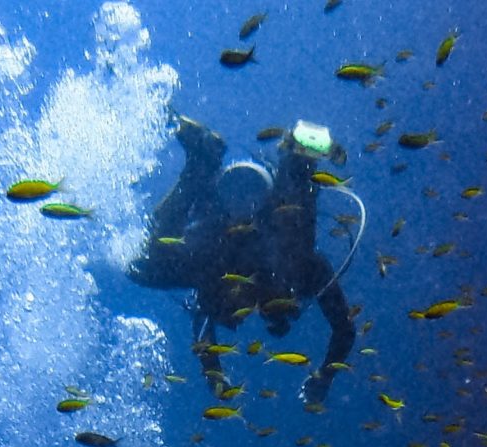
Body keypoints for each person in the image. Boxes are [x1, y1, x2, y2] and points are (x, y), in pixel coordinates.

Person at [128, 115, 360, 407]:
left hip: (229, 226)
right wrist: (323, 378)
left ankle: (207, 165)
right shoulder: (302, 273)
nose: (241, 310)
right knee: (142, 268)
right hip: (242, 223)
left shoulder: (223, 277)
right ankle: (297, 164)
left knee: (144, 268)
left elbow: (203, 325)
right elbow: (344, 328)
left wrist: (215, 376)